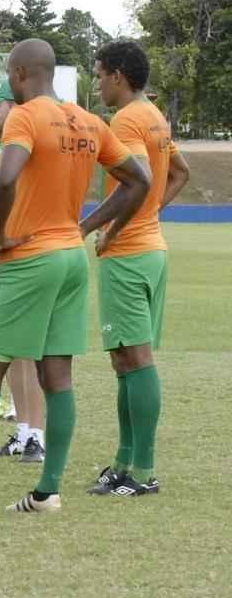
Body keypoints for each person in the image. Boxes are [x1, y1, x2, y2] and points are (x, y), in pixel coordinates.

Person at [0, 38, 148, 514]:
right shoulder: (90, 121)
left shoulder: (25, 115)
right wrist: (87, 227)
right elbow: (140, 178)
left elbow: (7, 177)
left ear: (18, 74)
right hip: (70, 259)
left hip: (29, 258)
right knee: (57, 376)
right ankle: (47, 490)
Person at [88, 40, 189, 497]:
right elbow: (179, 172)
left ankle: (143, 472)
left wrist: (102, 229)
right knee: (124, 360)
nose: (96, 83)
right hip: (150, 250)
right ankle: (124, 462)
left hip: (129, 254)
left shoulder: (127, 118)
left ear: (118, 75)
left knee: (137, 359)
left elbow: (140, 179)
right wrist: (151, 214)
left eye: (99, 74)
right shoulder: (156, 117)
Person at [0, 78, 46, 464]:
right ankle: (22, 431)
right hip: (0, 266)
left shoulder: (28, 148)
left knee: (29, 353)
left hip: (30, 262)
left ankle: (38, 434)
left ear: (14, 108)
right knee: (12, 352)